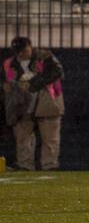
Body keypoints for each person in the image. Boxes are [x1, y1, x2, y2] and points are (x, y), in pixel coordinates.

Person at [4, 37, 64, 172]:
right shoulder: (9, 63)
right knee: (22, 137)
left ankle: (50, 166)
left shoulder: (45, 57)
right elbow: (7, 82)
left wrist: (32, 83)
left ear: (31, 46)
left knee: (50, 137)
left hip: (47, 101)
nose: (21, 54)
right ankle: (25, 166)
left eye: (24, 50)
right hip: (22, 104)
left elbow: (58, 73)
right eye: (17, 51)